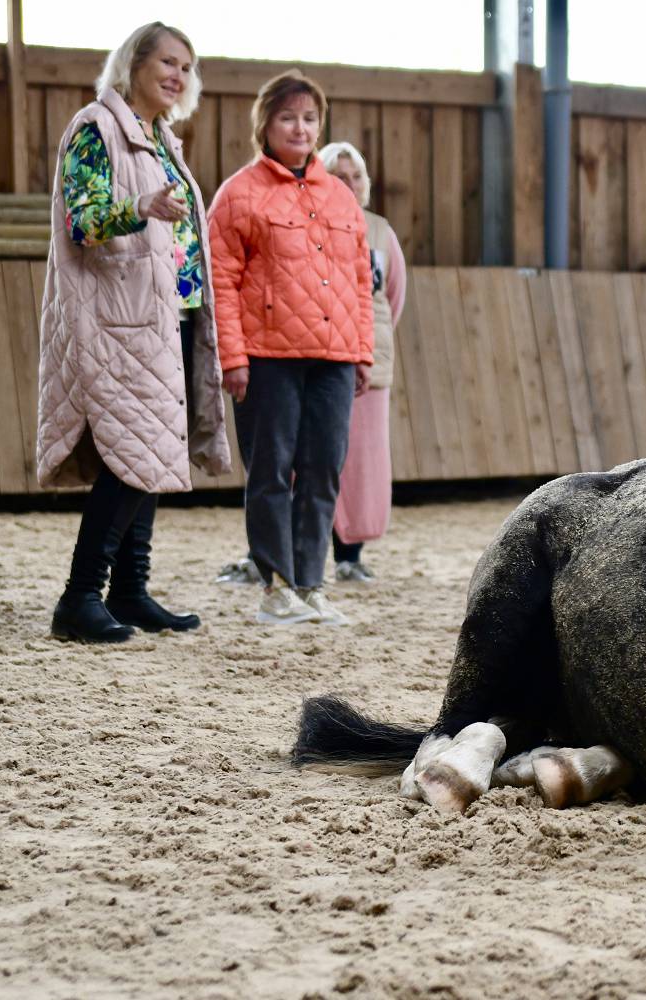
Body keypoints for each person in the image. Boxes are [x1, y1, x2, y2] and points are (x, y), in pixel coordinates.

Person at [36, 22, 230, 643]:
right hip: (118, 322)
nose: (177, 75)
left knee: (151, 454)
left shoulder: (159, 138)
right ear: (134, 65)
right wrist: (142, 206)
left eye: (186, 67)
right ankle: (78, 597)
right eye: (167, 62)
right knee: (130, 458)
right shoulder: (96, 127)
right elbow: (82, 219)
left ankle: (129, 590)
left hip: (168, 317)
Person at [208, 70, 374, 625]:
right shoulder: (239, 194)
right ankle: (275, 586)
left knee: (323, 469)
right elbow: (221, 279)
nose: (299, 128)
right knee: (272, 471)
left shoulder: (341, 198)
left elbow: (358, 282)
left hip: (333, 358)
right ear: (265, 125)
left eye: (308, 118)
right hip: (266, 357)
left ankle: (311, 584)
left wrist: (361, 352)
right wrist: (232, 357)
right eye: (287, 117)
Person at [319, 141, 407, 582]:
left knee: (364, 461)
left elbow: (393, 297)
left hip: (368, 365)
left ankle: (350, 555)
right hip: (317, 358)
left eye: (355, 176)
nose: (348, 184)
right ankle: (309, 548)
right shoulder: (309, 227)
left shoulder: (381, 232)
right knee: (314, 457)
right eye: (337, 174)